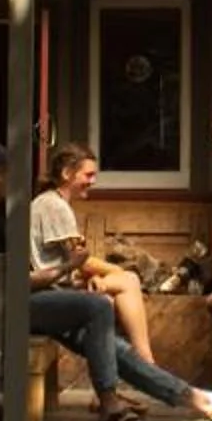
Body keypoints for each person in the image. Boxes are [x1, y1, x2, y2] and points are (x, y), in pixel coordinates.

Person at [0, 143, 212, 421]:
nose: (14, 181)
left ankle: (200, 400)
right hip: (9, 308)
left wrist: (69, 275)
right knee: (98, 305)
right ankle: (110, 403)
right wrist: (70, 267)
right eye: (8, 174)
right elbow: (18, 282)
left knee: (112, 346)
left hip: (26, 300)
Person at [26, 143, 158, 362]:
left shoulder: (51, 202)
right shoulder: (54, 205)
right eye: (88, 175)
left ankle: (135, 358)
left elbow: (75, 259)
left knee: (119, 292)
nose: (93, 181)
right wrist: (113, 270)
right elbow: (82, 261)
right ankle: (145, 360)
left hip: (60, 282)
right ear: (67, 173)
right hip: (50, 289)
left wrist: (95, 275)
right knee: (128, 281)